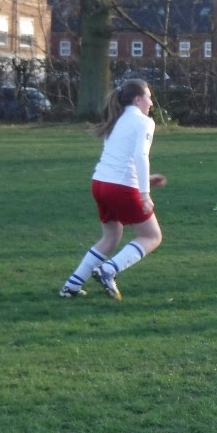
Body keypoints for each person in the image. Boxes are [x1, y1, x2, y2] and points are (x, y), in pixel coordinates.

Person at [60, 79, 166, 300]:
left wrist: (145, 180)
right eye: (148, 97)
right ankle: (109, 269)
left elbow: (120, 159)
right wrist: (144, 193)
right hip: (120, 186)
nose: (151, 103)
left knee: (110, 237)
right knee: (152, 236)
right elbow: (140, 156)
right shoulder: (144, 122)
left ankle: (71, 286)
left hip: (100, 183)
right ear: (138, 99)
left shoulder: (116, 120)